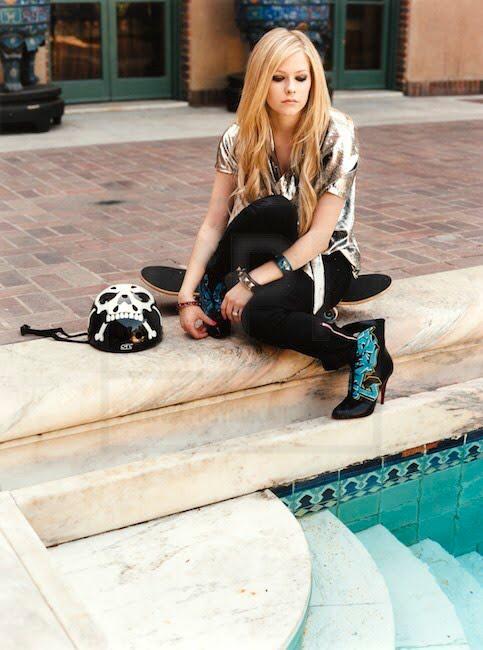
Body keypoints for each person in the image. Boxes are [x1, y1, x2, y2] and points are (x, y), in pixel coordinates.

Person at [177, 27, 393, 420]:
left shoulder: (336, 132)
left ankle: (363, 346)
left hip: (327, 257)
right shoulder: (238, 137)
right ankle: (212, 290)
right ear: (260, 80)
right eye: (278, 78)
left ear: (314, 81)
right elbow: (214, 222)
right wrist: (187, 297)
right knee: (272, 210)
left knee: (258, 317)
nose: (290, 89)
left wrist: (249, 283)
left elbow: (319, 236)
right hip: (270, 249)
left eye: (300, 77)